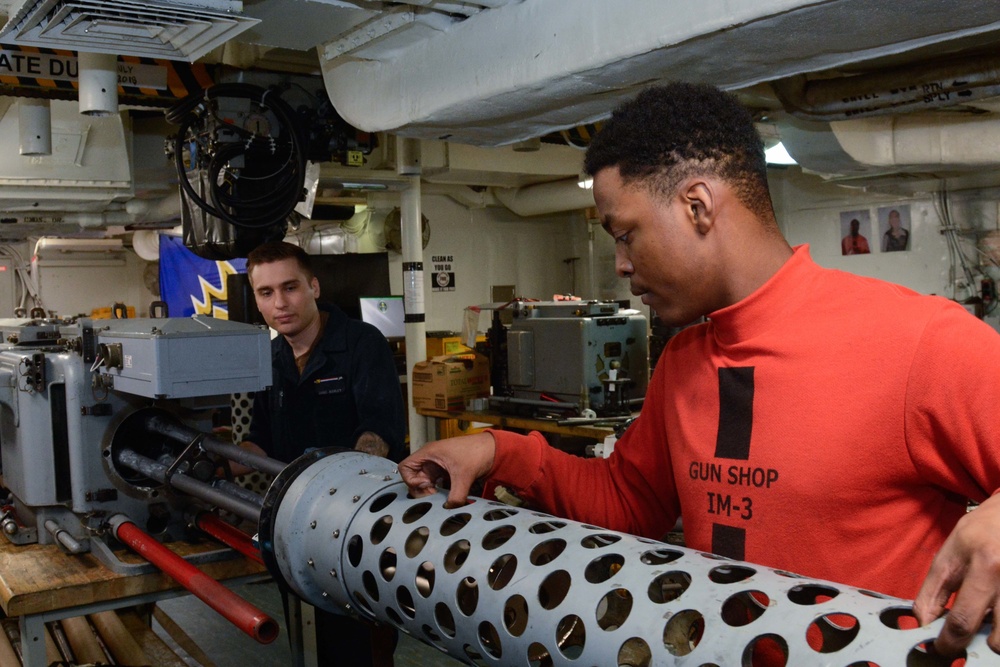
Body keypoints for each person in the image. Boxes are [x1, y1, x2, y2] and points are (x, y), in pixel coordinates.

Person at [399, 83, 1000, 659]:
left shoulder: (917, 343)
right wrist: (496, 450)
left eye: (626, 233)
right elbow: (629, 501)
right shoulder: (684, 362)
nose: (621, 266)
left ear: (698, 205)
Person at [241, 240, 405, 667]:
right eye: (266, 293)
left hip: (361, 526)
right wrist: (216, 454)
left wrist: (344, 499)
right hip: (294, 528)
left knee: (361, 645)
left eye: (290, 287)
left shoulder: (361, 344)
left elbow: (379, 432)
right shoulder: (270, 359)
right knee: (309, 637)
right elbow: (261, 440)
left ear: (313, 286)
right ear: (256, 299)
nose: (280, 303)